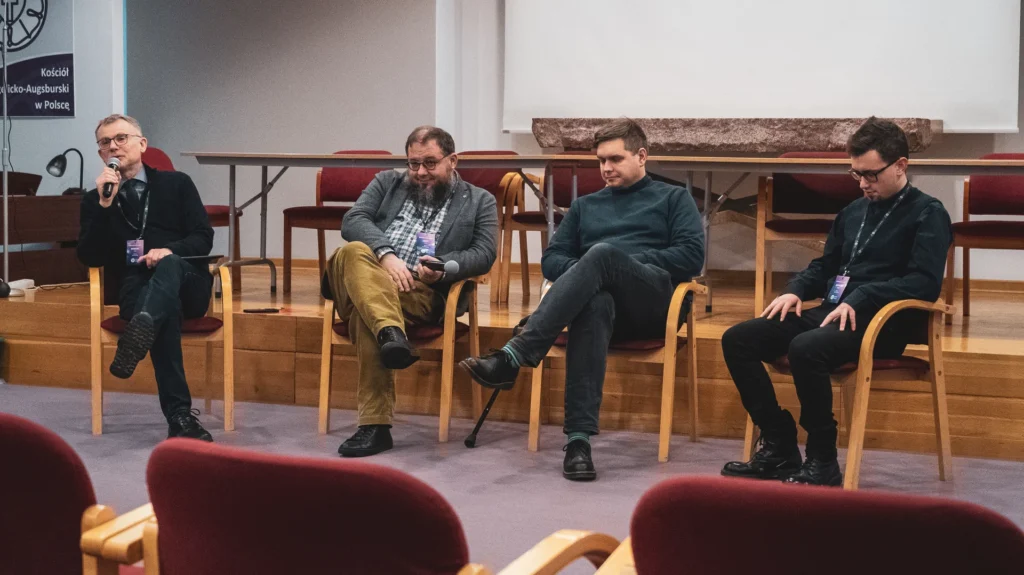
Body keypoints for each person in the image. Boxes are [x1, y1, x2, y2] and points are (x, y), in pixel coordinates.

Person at [460, 119, 705, 481]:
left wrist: (619, 263)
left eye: (615, 159)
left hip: (653, 303)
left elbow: (691, 257)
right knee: (594, 301)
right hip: (603, 306)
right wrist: (588, 272)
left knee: (603, 255)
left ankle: (514, 355)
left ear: (641, 156)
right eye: (601, 160)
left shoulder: (673, 198)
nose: (606, 168)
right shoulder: (585, 206)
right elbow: (552, 259)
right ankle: (578, 442)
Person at [720, 117, 953, 486]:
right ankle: (779, 442)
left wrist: (865, 295)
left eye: (871, 174)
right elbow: (826, 266)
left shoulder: (929, 213)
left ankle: (822, 458)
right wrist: (795, 289)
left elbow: (924, 283)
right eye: (856, 173)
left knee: (806, 347)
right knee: (739, 339)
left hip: (883, 323)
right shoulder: (853, 211)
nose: (863, 183)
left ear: (900, 165)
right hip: (834, 313)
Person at [323, 126, 497, 457]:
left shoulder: (479, 200)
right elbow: (353, 220)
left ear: (452, 161)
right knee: (352, 251)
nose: (420, 172)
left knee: (366, 314)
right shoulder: (387, 182)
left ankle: (375, 424)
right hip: (367, 275)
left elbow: (484, 253)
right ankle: (391, 332)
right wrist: (385, 256)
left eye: (430, 163)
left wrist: (443, 266)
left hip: (419, 292)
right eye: (413, 163)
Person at [77, 114, 216, 441]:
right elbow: (90, 257)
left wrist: (169, 251)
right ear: (100, 154)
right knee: (161, 312)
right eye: (105, 142)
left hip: (187, 282)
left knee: (169, 266)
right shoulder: (95, 200)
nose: (113, 146)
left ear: (142, 144)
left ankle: (141, 331)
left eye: (121, 138)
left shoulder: (177, 184)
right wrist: (105, 204)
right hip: (137, 288)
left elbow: (203, 237)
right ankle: (180, 418)